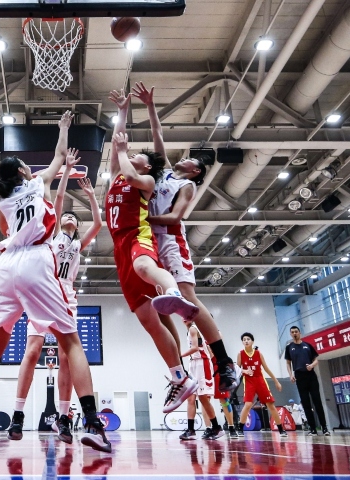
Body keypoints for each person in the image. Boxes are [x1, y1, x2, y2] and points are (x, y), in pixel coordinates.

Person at [0, 111, 111, 454]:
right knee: (71, 344)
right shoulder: (37, 183)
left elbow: (5, 230)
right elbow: (59, 156)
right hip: (36, 261)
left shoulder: (2, 199)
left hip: (6, 265)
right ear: (23, 171)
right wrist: (63, 128)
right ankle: (93, 423)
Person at [106, 89, 215, 415]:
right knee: (150, 323)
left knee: (144, 267)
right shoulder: (115, 178)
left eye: (139, 155)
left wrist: (124, 151)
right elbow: (116, 146)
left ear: (148, 167)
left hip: (138, 237)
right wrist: (122, 112)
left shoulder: (147, 183)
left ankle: (173, 293)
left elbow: (127, 166)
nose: (133, 154)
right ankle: (179, 378)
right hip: (118, 249)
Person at [133, 82, 238, 393]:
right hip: (150, 243)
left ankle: (224, 361)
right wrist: (150, 105)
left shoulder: (187, 186)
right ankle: (179, 371)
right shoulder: (162, 172)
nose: (188, 158)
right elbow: (157, 134)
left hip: (170, 240)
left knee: (188, 297)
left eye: (193, 160)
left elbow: (175, 217)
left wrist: (142, 219)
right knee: (157, 306)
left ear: (195, 172)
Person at [8, 150, 102, 445]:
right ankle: (18, 414)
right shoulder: (53, 236)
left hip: (67, 297)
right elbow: (58, 200)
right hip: (45, 291)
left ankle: (63, 418)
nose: (70, 217)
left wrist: (92, 195)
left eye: (74, 217)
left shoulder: (78, 245)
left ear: (77, 226)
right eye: (66, 216)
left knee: (66, 357)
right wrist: (67, 172)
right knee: (32, 351)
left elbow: (98, 224)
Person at [180, 320, 223, 440]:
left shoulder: (194, 328)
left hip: (202, 364)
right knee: (190, 398)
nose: (184, 318)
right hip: (193, 364)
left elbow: (195, 348)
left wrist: (180, 355)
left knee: (203, 398)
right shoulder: (190, 330)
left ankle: (216, 428)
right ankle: (191, 430)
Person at [237, 333, 286, 437]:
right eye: (244, 339)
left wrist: (276, 381)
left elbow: (266, 368)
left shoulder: (258, 353)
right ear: (242, 342)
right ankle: (240, 428)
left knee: (270, 404)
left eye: (248, 339)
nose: (246, 341)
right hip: (249, 381)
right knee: (248, 404)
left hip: (260, 380)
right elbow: (237, 370)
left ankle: (281, 429)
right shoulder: (240, 354)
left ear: (252, 341)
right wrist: (245, 371)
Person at [284, 326, 329, 435]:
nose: (294, 333)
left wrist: (312, 365)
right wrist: (290, 375)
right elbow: (288, 363)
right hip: (299, 376)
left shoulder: (307, 345)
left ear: (300, 333)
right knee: (306, 403)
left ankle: (324, 428)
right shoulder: (289, 347)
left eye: (296, 331)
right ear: (290, 334)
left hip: (311, 375)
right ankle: (312, 429)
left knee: (317, 402)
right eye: (292, 332)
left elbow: (316, 360)